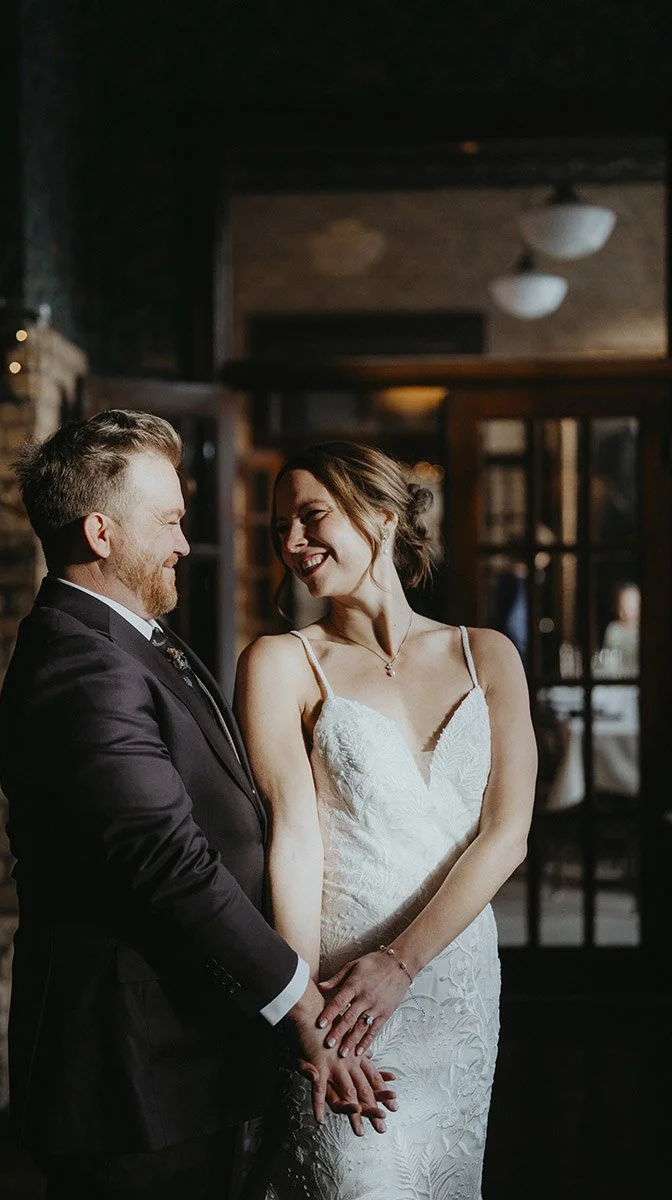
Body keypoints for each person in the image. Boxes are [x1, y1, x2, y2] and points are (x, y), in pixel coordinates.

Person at [0, 412, 396, 1200]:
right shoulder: (79, 664)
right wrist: (303, 1010)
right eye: (170, 521)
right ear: (102, 532)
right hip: (129, 1074)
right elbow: (168, 861)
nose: (184, 542)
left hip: (188, 1053)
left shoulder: (128, 642)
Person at [235, 441, 537, 1199]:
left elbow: (508, 833)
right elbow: (294, 841)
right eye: (281, 530)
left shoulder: (488, 656)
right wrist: (303, 1011)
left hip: (452, 980)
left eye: (312, 518)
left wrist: (403, 963)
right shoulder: (280, 663)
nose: (294, 545)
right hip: (342, 994)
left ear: (381, 515)